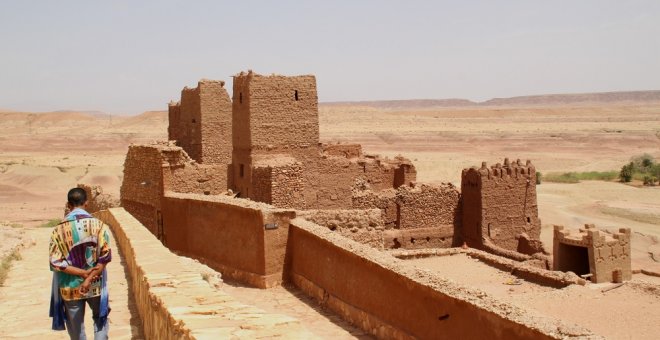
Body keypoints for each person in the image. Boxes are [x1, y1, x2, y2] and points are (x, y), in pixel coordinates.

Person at [49, 187, 112, 340]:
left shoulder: (58, 230)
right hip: (95, 284)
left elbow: (55, 262)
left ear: (68, 205)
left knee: (76, 328)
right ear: (86, 203)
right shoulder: (98, 225)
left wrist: (82, 274)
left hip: (70, 287)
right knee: (100, 320)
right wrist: (88, 277)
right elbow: (105, 256)